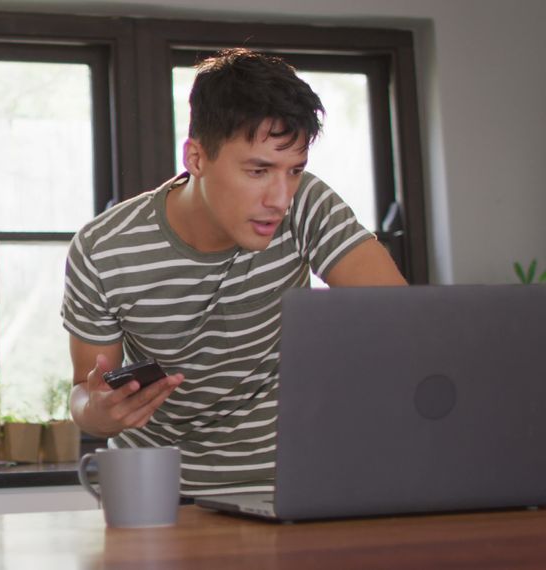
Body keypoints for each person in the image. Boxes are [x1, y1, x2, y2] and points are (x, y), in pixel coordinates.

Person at [61, 49, 406, 500]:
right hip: (159, 494)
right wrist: (101, 414)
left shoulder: (307, 205)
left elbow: (401, 325)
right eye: (258, 170)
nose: (280, 198)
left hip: (294, 487)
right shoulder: (103, 248)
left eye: (295, 171)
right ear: (196, 158)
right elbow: (83, 393)